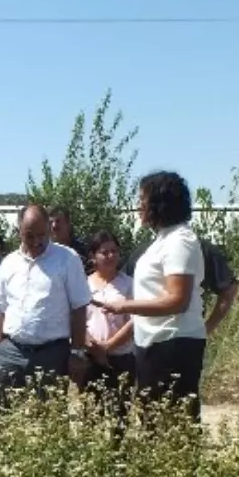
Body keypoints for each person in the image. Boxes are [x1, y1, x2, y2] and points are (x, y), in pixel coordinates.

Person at [102, 172, 207, 421]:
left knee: (172, 421)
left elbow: (177, 300)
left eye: (143, 199)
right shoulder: (163, 240)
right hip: (155, 343)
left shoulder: (180, 241)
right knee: (153, 419)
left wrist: (125, 305)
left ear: (160, 203)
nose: (139, 206)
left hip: (173, 344)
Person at [0, 205, 90, 405]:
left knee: (47, 417)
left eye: (42, 235)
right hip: (11, 352)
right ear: (19, 231)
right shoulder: (9, 262)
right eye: (29, 236)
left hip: (51, 355)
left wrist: (77, 352)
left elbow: (79, 308)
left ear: (49, 229)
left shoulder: (68, 259)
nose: (36, 242)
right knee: (2, 415)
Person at [122, 235, 239, 336]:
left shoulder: (201, 248)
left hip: (183, 338)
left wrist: (207, 328)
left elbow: (228, 288)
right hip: (150, 339)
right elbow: (121, 288)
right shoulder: (143, 252)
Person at [83, 231, 136, 420]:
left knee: (119, 417)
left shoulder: (129, 284)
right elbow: (76, 319)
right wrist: (94, 347)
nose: (110, 256)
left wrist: (108, 346)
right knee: (91, 416)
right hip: (90, 358)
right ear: (93, 256)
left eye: (114, 251)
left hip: (121, 358)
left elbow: (135, 321)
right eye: (104, 252)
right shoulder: (83, 284)